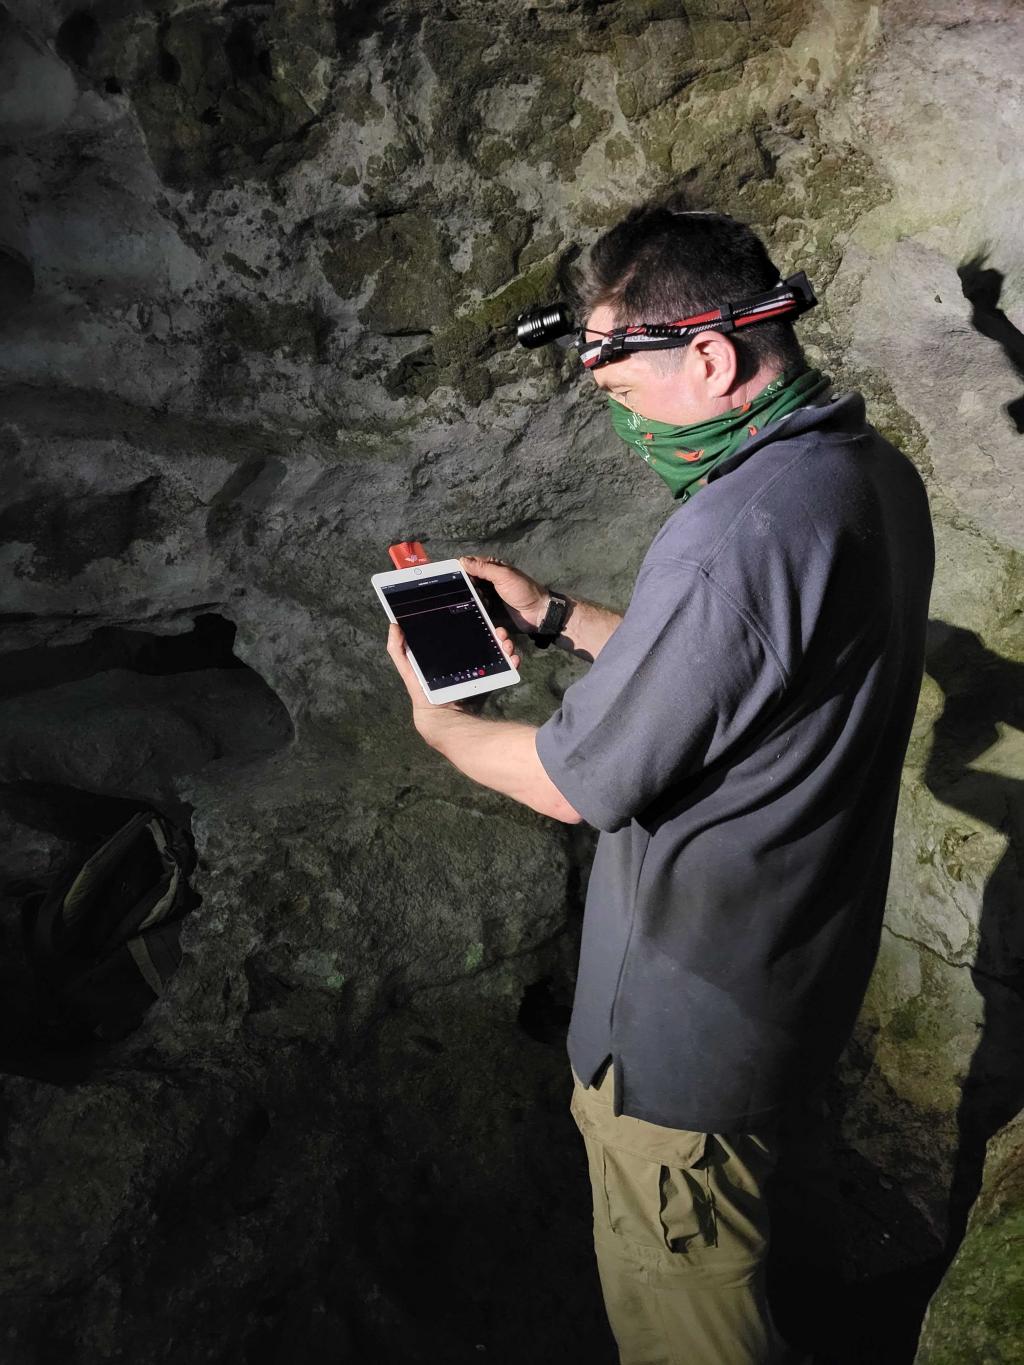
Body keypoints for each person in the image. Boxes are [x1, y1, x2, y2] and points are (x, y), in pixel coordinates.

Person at [385, 199, 935, 1365]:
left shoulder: (729, 532)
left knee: (686, 1316)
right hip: (786, 974)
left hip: (687, 1026)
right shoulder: (863, 473)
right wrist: (550, 617)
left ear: (709, 356)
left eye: (624, 396)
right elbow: (745, 665)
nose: (624, 422)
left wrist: (438, 724)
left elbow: (565, 781)